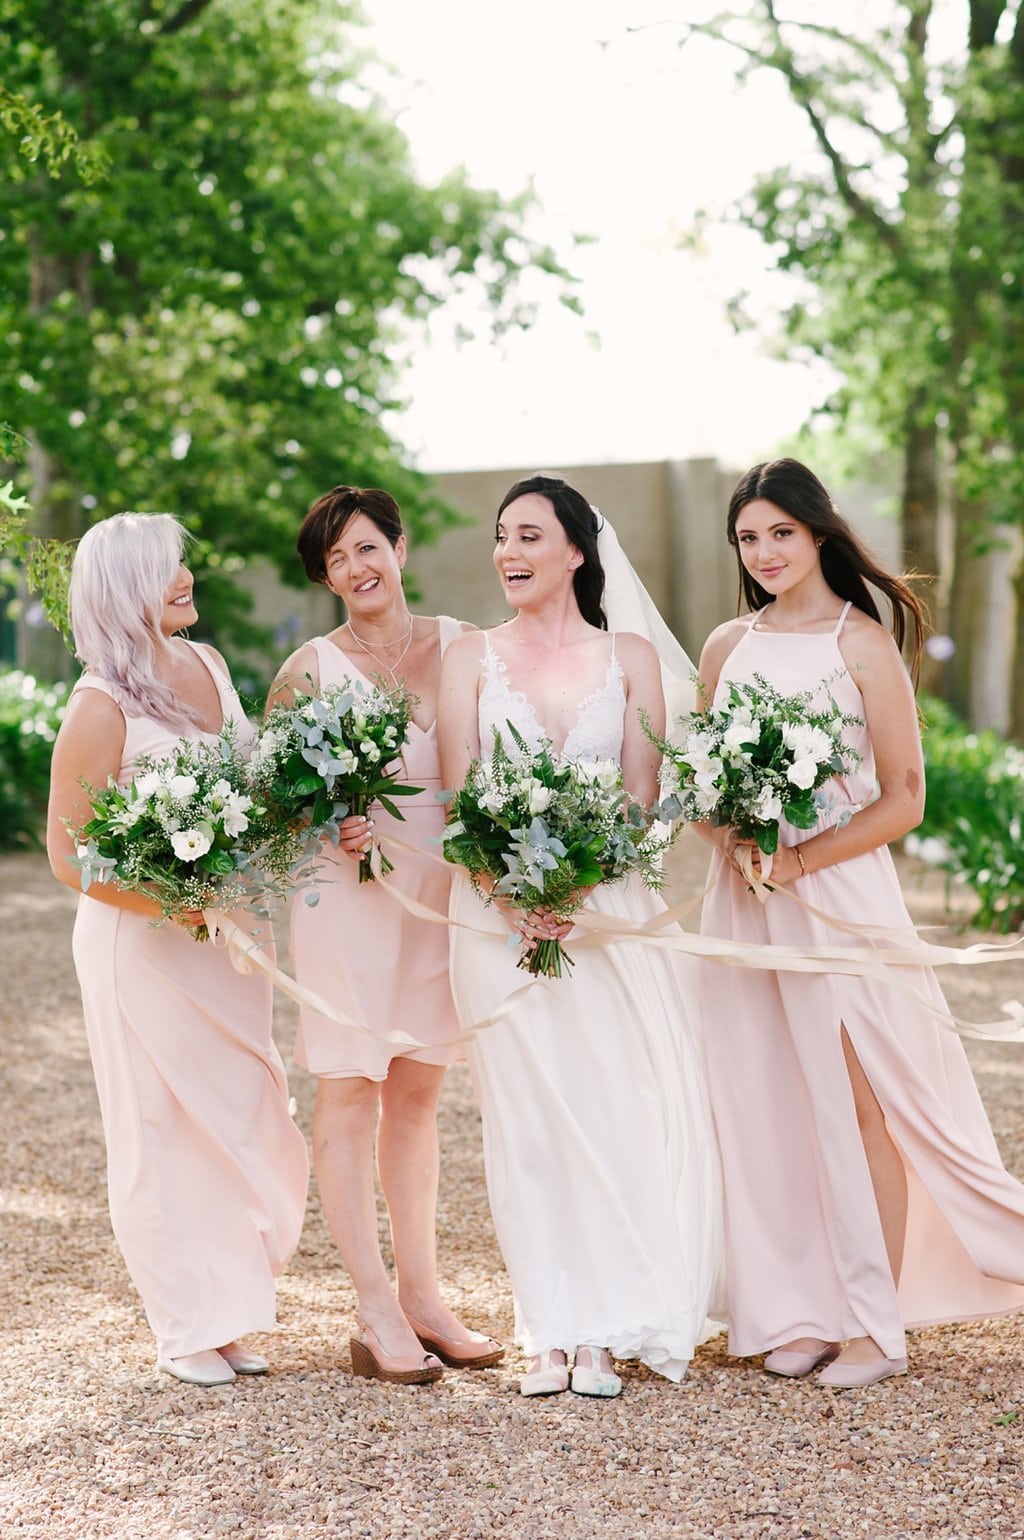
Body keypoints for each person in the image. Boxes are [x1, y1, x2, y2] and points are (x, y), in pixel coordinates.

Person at [697, 457, 1024, 1387]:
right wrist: (736, 835)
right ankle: (797, 1309)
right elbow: (700, 781)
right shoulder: (727, 645)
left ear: (818, 532)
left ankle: (874, 1325)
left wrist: (798, 856)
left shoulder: (861, 643)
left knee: (862, 1095)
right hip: (748, 903)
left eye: (780, 533)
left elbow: (905, 796)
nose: (764, 553)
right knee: (766, 1095)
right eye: (748, 538)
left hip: (837, 897)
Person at [437, 474, 722, 1399]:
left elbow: (642, 795)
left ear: (575, 550)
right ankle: (549, 1327)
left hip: (607, 917)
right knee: (529, 1124)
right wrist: (513, 893)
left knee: (612, 1104)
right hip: (495, 926)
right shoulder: (470, 656)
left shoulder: (632, 654)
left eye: (529, 535)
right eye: (500, 535)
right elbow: (455, 796)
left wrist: (574, 889)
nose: (508, 552)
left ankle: (606, 1324)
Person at [47, 513, 309, 1388]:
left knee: (240, 1112)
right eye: (166, 570)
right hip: (143, 943)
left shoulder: (209, 666)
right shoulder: (98, 704)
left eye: (182, 565)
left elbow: (247, 786)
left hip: (225, 936)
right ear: (125, 589)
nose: (185, 579)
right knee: (159, 1126)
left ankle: (230, 1309)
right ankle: (187, 1325)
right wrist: (177, 898)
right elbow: (68, 851)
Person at [271, 485, 502, 1386]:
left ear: (400, 550)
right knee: (350, 1088)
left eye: (368, 548)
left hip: (436, 894)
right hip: (346, 898)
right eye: (336, 560)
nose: (356, 569)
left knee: (416, 1093)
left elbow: (490, 765)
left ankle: (424, 1295)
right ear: (326, 577)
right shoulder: (306, 669)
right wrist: (328, 820)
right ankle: (369, 1305)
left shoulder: (462, 646)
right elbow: (274, 806)